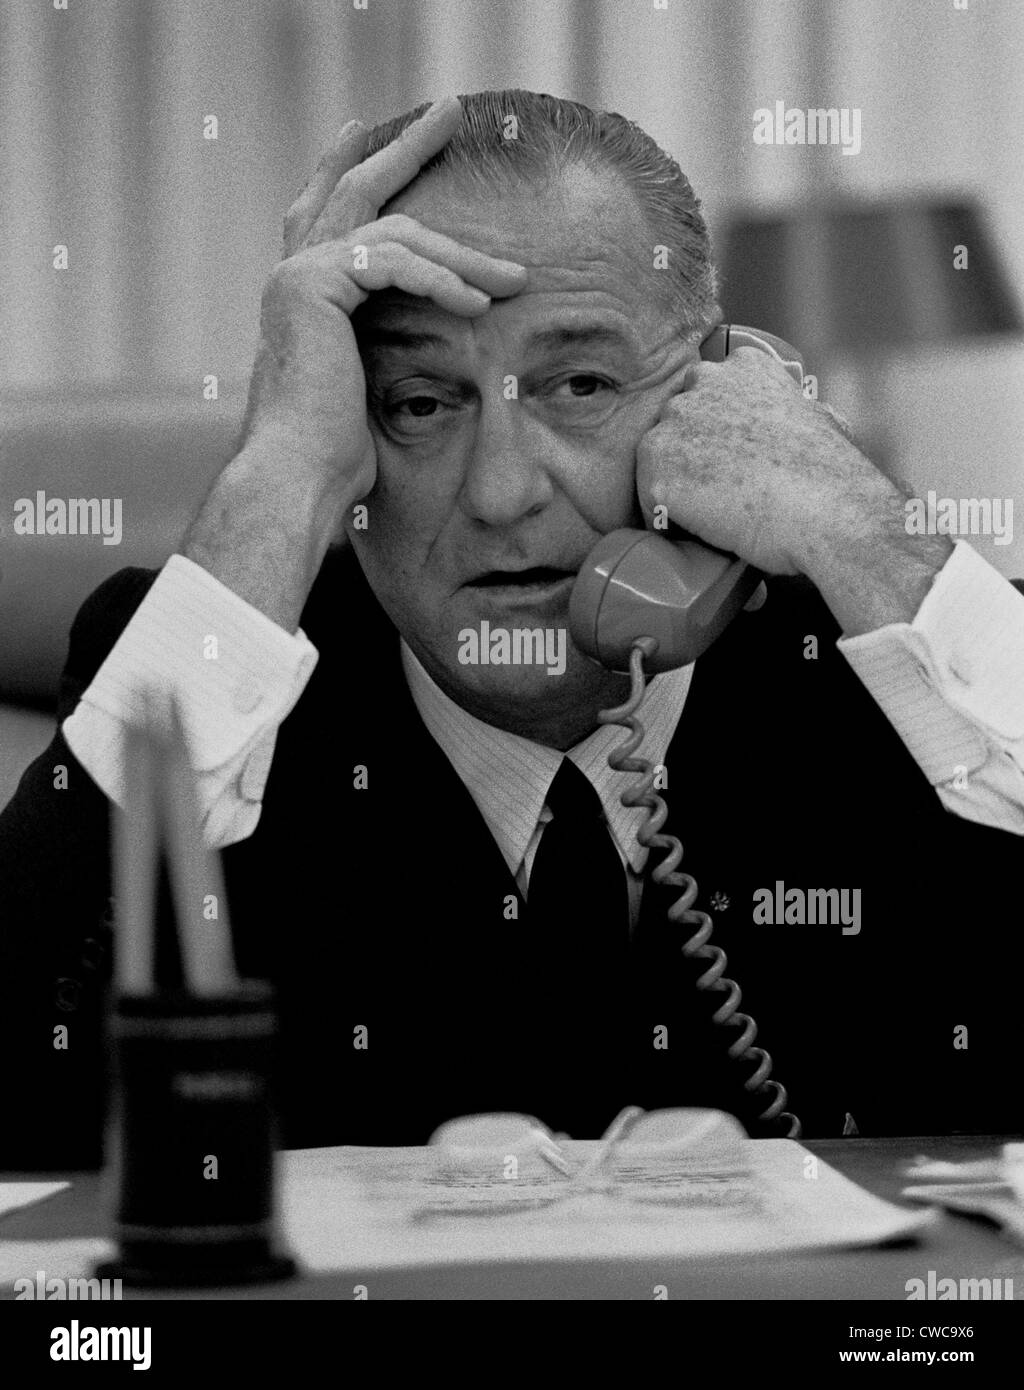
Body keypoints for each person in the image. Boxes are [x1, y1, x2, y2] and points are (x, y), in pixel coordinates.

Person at [2, 90, 1022, 1170]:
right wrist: (279, 474)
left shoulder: (901, 671)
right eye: (419, 403)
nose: (500, 493)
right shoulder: (214, 669)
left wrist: (867, 536)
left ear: (722, 395)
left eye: (580, 384)